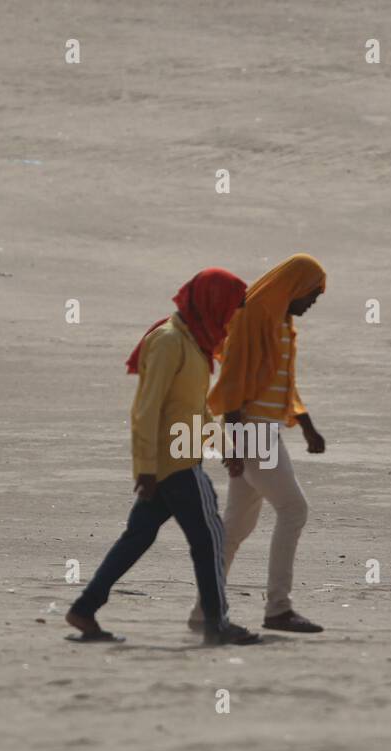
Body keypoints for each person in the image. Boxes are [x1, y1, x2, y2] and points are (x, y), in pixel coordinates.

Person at [66, 269, 261, 646]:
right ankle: (217, 623)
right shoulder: (169, 342)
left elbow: (195, 410)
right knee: (211, 538)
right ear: (212, 303)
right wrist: (146, 468)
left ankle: (85, 609)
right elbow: (146, 408)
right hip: (175, 463)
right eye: (232, 308)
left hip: (177, 458)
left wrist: (225, 448)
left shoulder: (195, 345)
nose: (233, 317)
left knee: (137, 537)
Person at [188, 254, 327, 634]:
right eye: (312, 294)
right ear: (295, 286)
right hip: (251, 430)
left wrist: (306, 425)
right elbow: (233, 380)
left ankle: (204, 613)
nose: (313, 303)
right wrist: (232, 441)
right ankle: (278, 608)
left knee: (235, 528)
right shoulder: (254, 316)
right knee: (294, 508)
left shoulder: (282, 321)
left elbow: (282, 382)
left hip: (264, 428)